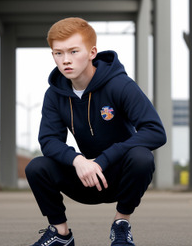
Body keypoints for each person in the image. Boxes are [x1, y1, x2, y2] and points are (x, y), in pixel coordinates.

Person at [25, 17, 166, 246]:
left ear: (92, 52)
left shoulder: (120, 85)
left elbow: (155, 131)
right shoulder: (54, 94)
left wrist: (104, 159)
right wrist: (78, 160)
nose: (65, 60)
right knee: (37, 166)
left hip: (119, 177)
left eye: (73, 51)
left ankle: (121, 224)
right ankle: (61, 234)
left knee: (142, 157)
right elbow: (49, 139)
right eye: (58, 53)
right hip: (86, 178)